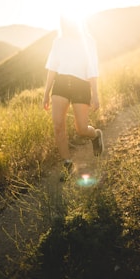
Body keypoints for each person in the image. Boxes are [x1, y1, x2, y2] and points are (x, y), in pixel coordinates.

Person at [43, 15, 104, 180]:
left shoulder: (88, 41)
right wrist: (46, 92)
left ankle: (95, 135)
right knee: (58, 125)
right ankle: (68, 164)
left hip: (81, 85)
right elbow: (52, 67)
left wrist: (95, 94)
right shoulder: (58, 41)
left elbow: (92, 68)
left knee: (81, 128)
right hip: (61, 83)